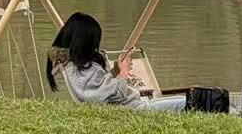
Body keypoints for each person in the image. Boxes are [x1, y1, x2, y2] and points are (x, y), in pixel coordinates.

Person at [46, 12, 184, 109]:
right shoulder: (79, 72)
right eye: (94, 42)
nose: (95, 47)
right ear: (84, 42)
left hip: (137, 104)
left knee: (190, 100)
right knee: (189, 103)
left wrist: (116, 70)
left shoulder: (78, 67)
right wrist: (123, 73)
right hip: (135, 109)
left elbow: (101, 87)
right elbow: (109, 96)